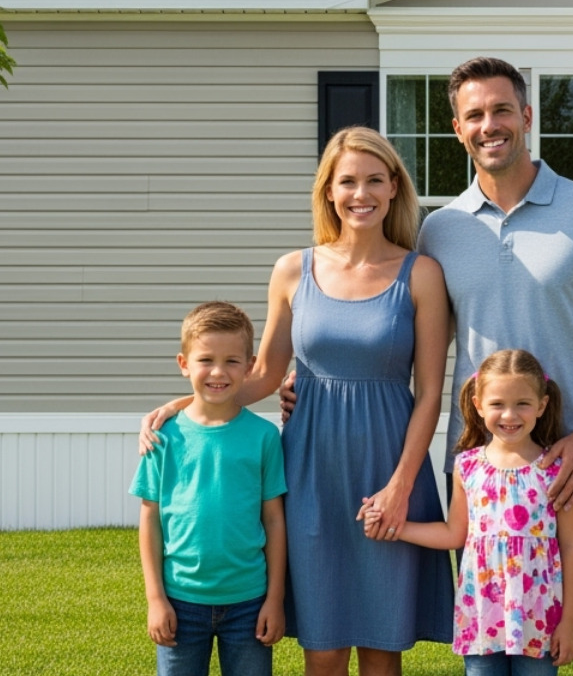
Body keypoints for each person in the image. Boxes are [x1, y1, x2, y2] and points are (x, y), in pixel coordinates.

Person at [282, 57, 573, 675]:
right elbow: (394, 341)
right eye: (475, 115)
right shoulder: (441, 232)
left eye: (502, 110)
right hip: (482, 477)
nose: (490, 125)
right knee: (495, 640)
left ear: (527, 116)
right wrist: (310, 379)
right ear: (457, 128)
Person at [142, 127, 454, 676]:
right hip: (310, 469)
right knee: (324, 645)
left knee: (383, 648)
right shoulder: (293, 269)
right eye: (348, 181)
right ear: (328, 191)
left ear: (393, 187)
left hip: (389, 464)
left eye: (375, 180)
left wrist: (401, 486)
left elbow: (430, 391)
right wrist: (180, 405)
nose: (362, 193)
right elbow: (262, 374)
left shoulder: (421, 274)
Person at [365, 348, 573, 676]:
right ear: (479, 405)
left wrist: (569, 622)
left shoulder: (555, 469)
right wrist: (396, 526)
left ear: (542, 405)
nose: (509, 415)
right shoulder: (468, 467)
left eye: (522, 403)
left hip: (538, 618)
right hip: (482, 617)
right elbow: (456, 533)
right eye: (497, 404)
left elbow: (571, 546)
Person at [131, 300, 288, 676]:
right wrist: (156, 599)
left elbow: (274, 521)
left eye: (233, 361)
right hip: (180, 601)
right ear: (184, 364)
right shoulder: (162, 437)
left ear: (250, 367)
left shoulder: (264, 437)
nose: (219, 371)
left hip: (249, 601)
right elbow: (150, 520)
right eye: (206, 360)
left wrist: (275, 599)